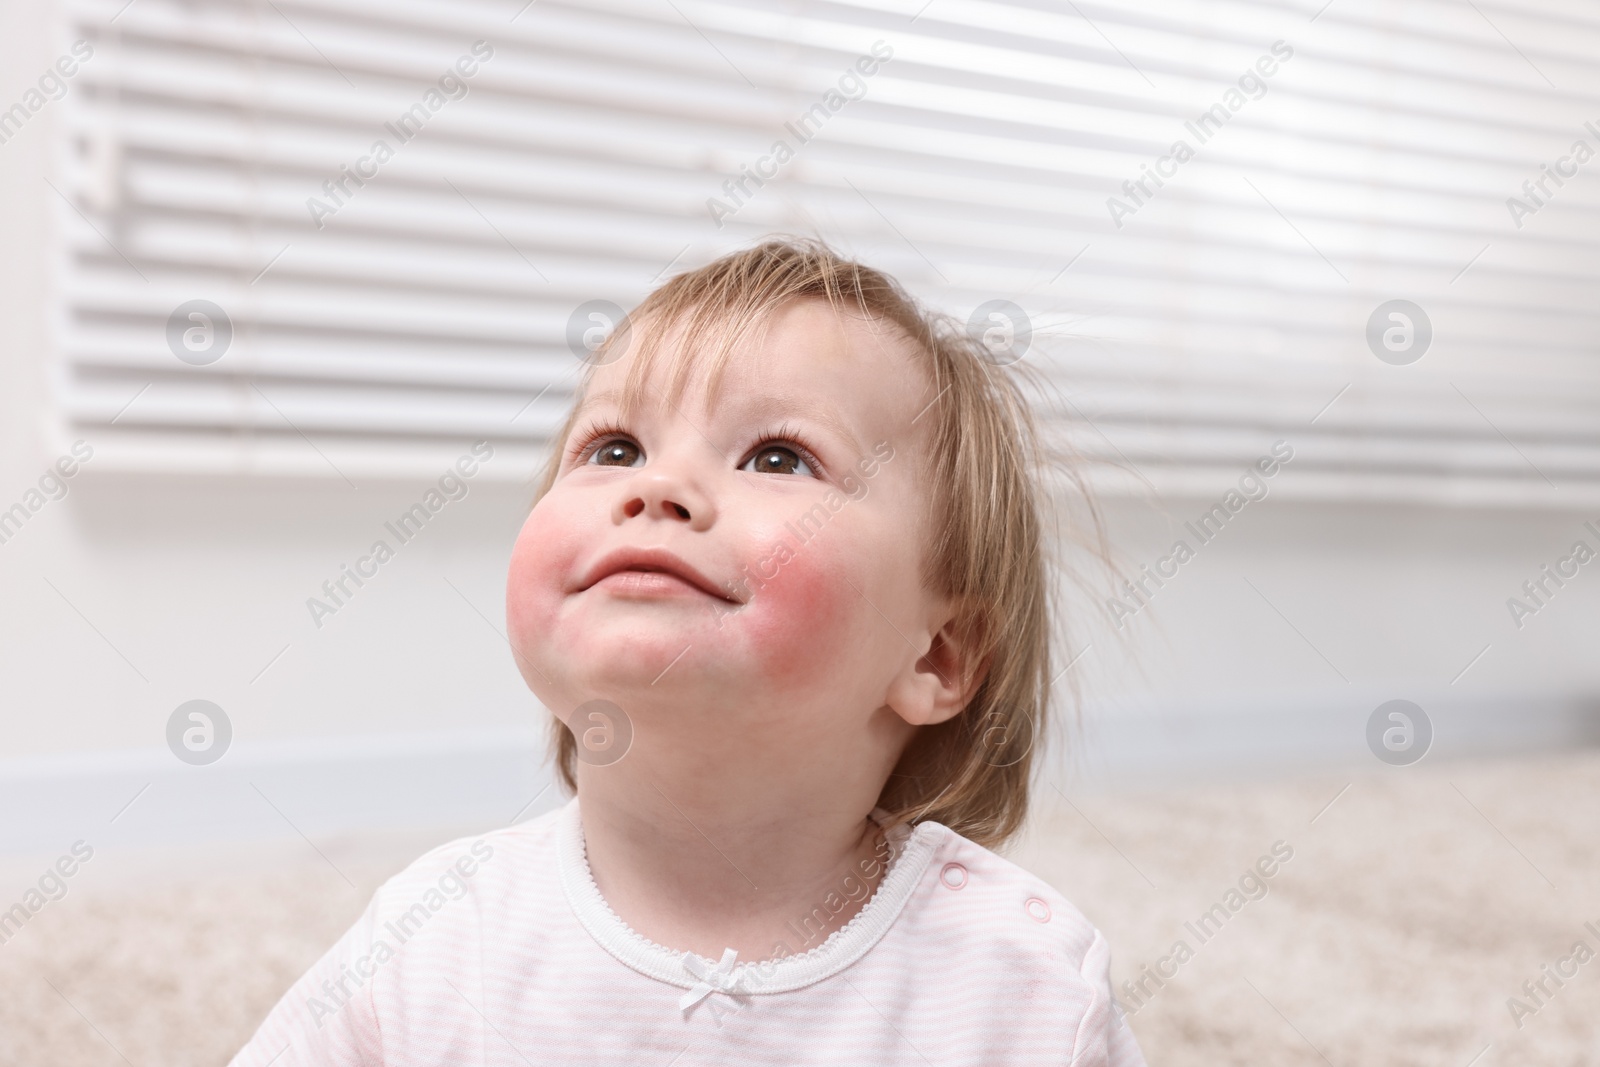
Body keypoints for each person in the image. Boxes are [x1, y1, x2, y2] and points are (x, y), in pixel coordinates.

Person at [229, 238, 1145, 1065]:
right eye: (615, 446)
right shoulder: (436, 938)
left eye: (779, 458)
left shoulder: (1019, 986)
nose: (658, 485)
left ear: (938, 655)